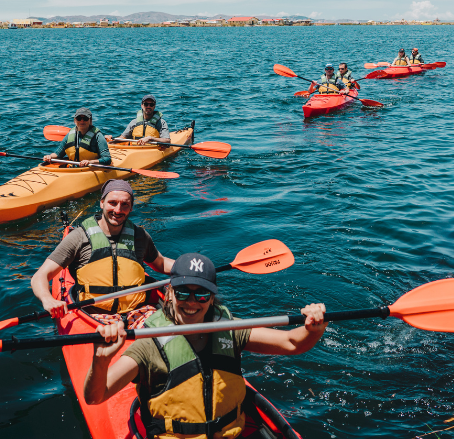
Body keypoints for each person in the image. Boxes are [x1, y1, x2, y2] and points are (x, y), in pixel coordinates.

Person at [84, 253, 328, 438]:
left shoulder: (230, 330)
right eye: (183, 293)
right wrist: (101, 360)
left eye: (201, 295)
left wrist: (313, 329)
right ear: (169, 293)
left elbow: (291, 343)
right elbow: (96, 397)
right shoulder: (149, 344)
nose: (192, 302)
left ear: (212, 298)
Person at [30, 179, 175, 328]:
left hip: (139, 312)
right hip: (95, 316)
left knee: (171, 335)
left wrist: (187, 266)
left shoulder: (140, 236)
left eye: (125, 204)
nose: (118, 210)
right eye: (112, 203)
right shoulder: (79, 237)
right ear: (102, 203)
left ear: (131, 207)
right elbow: (40, 276)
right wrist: (48, 299)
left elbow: (161, 263)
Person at [44, 108, 112, 167]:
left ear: (90, 121)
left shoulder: (98, 136)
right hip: (73, 169)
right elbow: (58, 154)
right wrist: (50, 156)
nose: (82, 121)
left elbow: (107, 159)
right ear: (75, 120)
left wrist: (90, 162)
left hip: (91, 169)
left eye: (85, 118)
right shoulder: (69, 135)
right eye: (79, 118)